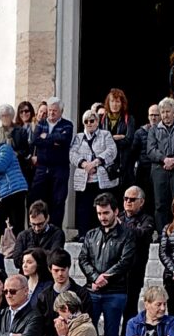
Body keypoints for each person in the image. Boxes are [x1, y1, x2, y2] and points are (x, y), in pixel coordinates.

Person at [78, 193, 136, 336]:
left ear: (116, 211)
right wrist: (96, 277)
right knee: (88, 335)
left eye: (106, 212)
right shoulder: (91, 234)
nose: (103, 217)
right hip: (93, 291)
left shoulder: (127, 234)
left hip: (115, 292)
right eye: (99, 213)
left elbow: (125, 261)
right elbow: (83, 259)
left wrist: (105, 277)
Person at [69, 108, 118, 239]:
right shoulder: (79, 137)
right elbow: (72, 153)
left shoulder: (105, 134)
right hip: (84, 179)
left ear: (97, 121)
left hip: (101, 179)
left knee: (102, 206)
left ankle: (102, 233)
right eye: (86, 121)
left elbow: (111, 151)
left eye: (92, 120)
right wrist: (84, 164)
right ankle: (83, 234)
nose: (89, 123)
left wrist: (96, 162)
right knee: (83, 208)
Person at [29, 97, 74, 228]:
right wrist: (54, 141)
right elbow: (36, 140)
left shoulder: (67, 124)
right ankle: (38, 226)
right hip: (42, 167)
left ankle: (55, 230)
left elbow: (64, 140)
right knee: (38, 197)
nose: (51, 113)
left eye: (55, 110)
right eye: (49, 110)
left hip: (60, 168)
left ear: (61, 111)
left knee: (58, 200)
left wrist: (46, 137)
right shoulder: (41, 123)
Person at [118, 186, 157, 330]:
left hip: (134, 270)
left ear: (141, 202)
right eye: (126, 199)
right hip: (117, 270)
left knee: (130, 308)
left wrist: (121, 226)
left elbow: (142, 235)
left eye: (132, 199)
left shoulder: (147, 219)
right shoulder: (119, 217)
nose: (128, 202)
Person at [147, 97, 174, 232]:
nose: (165, 115)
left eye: (168, 112)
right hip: (159, 170)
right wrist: (164, 159)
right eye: (162, 112)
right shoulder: (154, 130)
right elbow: (151, 150)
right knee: (160, 204)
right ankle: (161, 234)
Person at [100, 88, 136, 190]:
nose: (114, 104)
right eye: (112, 101)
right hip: (107, 164)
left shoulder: (129, 119)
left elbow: (129, 140)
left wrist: (109, 140)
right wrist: (117, 137)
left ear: (122, 103)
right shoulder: (102, 119)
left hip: (123, 163)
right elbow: (100, 141)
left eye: (117, 101)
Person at [10, 200, 64, 268]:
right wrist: (43, 253)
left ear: (47, 218)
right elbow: (17, 261)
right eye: (33, 224)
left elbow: (54, 257)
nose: (36, 228)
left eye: (40, 224)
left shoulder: (57, 233)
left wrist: (28, 254)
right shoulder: (23, 235)